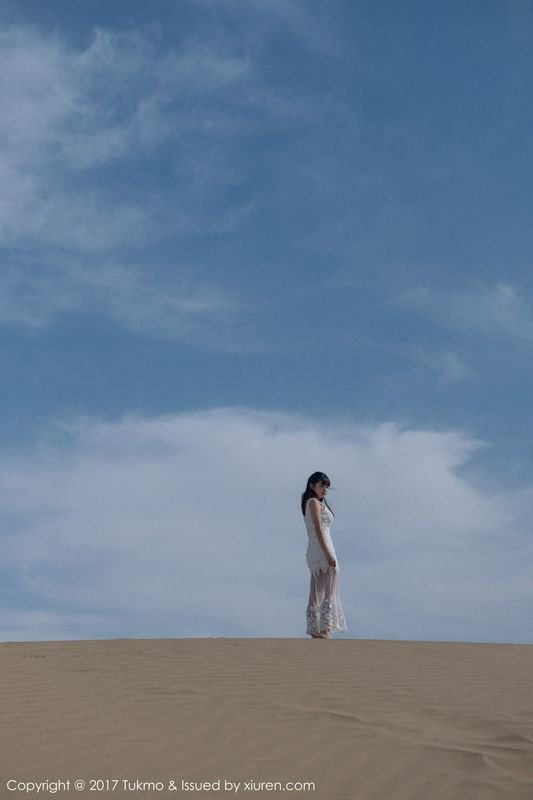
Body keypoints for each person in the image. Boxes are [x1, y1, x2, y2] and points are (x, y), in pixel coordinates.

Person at [302, 471, 347, 639]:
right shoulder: (313, 502)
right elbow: (318, 530)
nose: (325, 489)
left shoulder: (313, 502)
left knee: (318, 588)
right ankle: (323, 629)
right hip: (322, 548)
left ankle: (317, 628)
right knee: (328, 588)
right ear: (312, 485)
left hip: (316, 548)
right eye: (322, 485)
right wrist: (328, 554)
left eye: (327, 487)